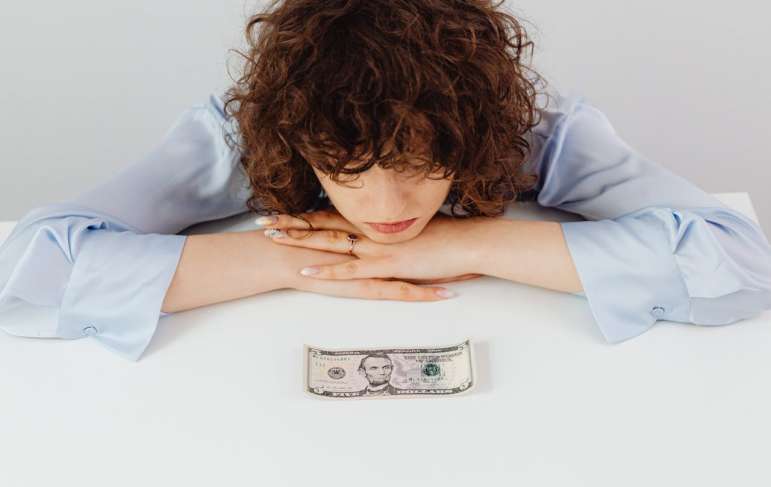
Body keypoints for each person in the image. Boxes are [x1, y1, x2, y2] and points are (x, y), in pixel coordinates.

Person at [1, 0, 769, 362]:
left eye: (418, 166)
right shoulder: (234, 134)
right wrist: (297, 263)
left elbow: (736, 259)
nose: (387, 210)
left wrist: (469, 243)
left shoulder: (543, 130)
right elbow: (30, 271)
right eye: (346, 172)